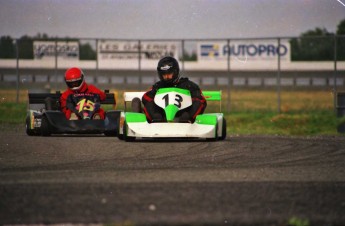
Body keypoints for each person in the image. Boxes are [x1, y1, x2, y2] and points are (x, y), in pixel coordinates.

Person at [141, 56, 207, 123]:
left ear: (176, 72)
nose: (166, 77)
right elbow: (145, 97)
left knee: (198, 102)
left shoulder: (188, 85)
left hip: (184, 117)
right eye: (164, 75)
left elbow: (201, 100)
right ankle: (156, 119)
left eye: (169, 74)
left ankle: (187, 119)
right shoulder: (158, 86)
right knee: (149, 102)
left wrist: (188, 113)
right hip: (161, 117)